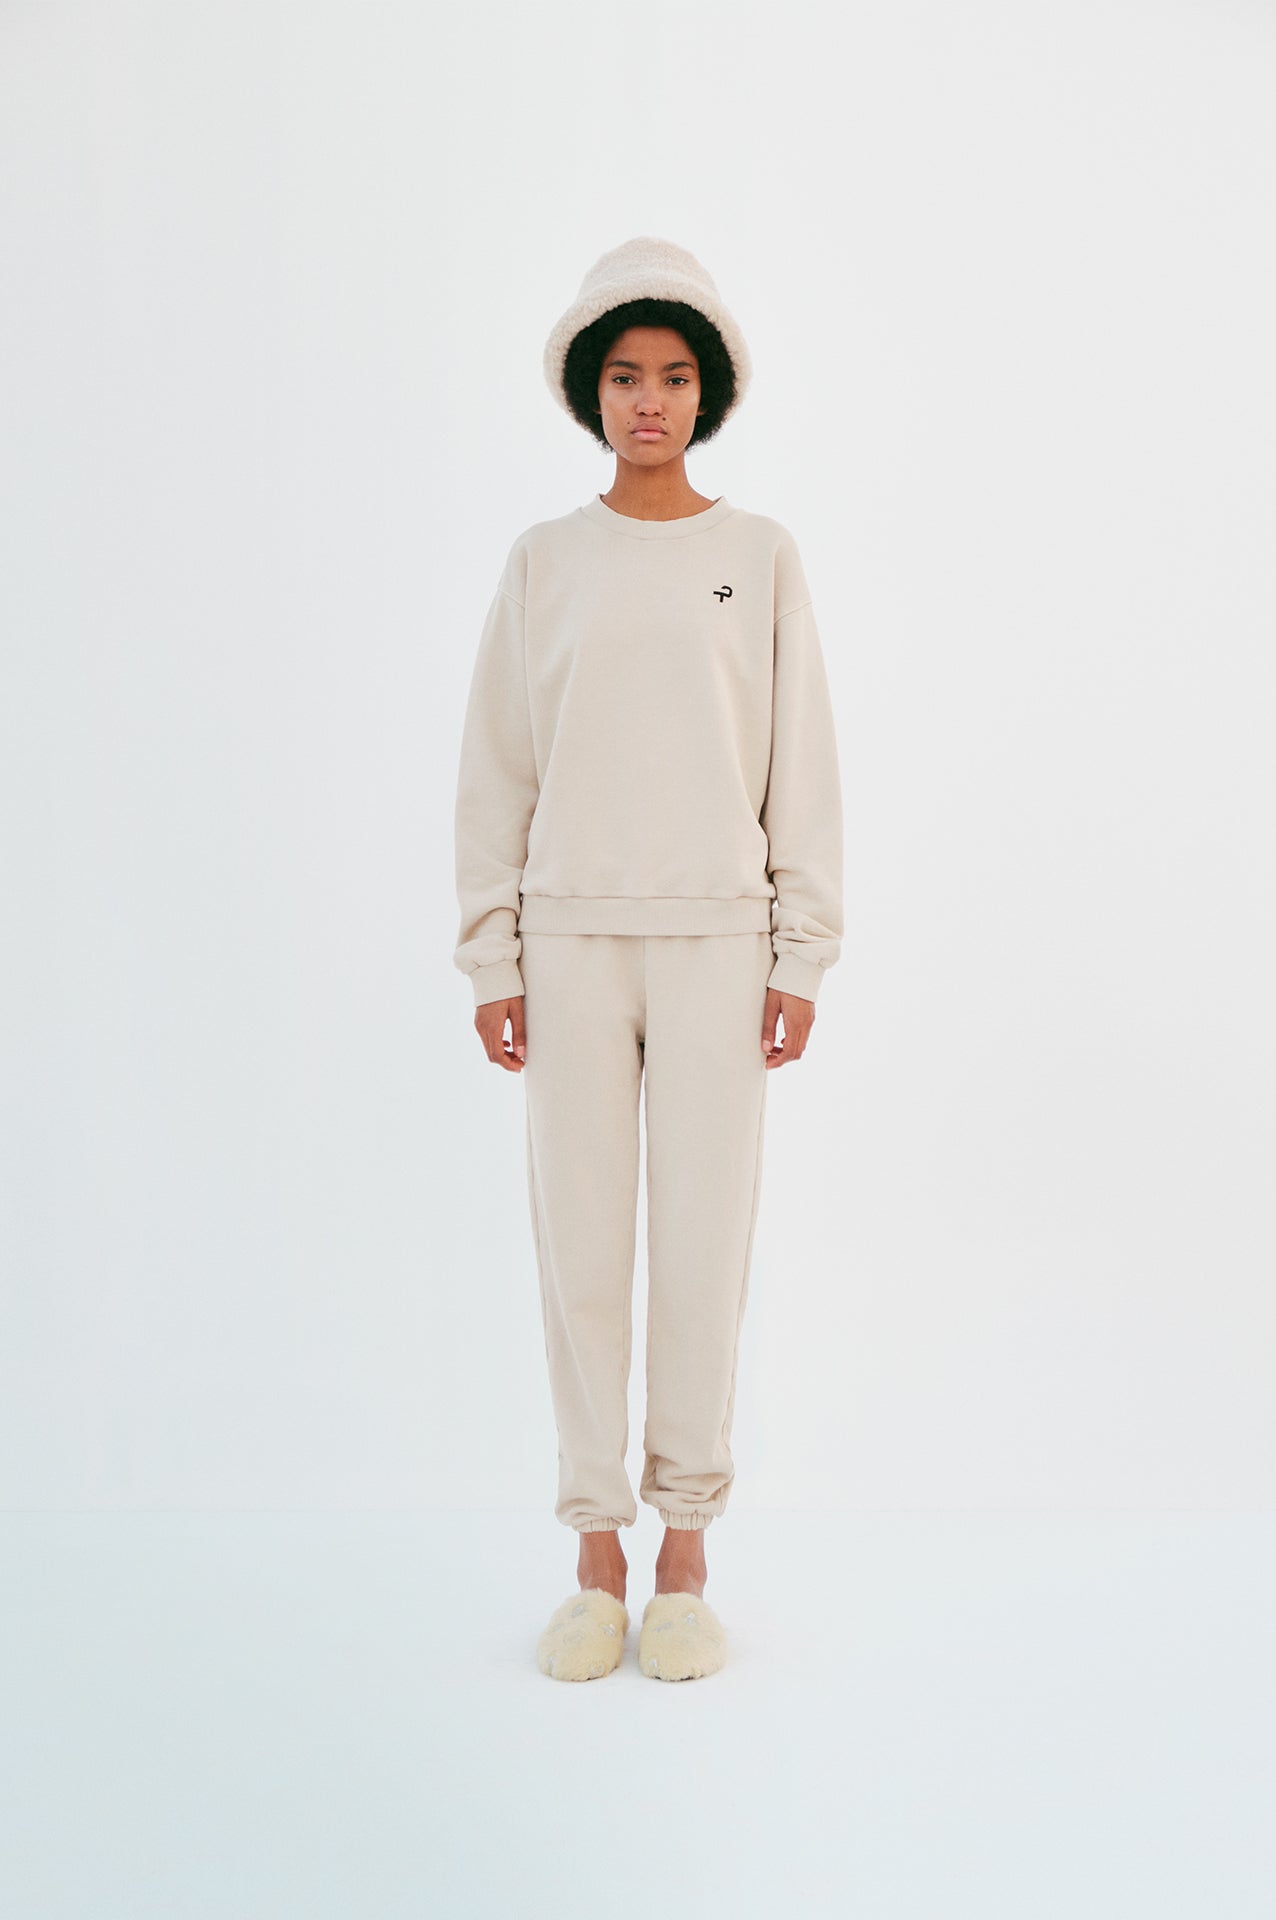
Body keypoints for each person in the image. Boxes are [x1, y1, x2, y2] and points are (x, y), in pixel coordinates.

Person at [452, 235, 843, 1681]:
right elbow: (496, 768)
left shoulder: (761, 558)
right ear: (590, 390)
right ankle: (593, 1555)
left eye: (675, 376)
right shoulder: (544, 562)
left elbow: (802, 765)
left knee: (700, 1249)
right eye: (625, 376)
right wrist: (493, 957)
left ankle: (685, 1551)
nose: (650, 401)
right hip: (567, 942)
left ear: (709, 389)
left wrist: (801, 950)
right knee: (581, 1253)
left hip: (719, 948)